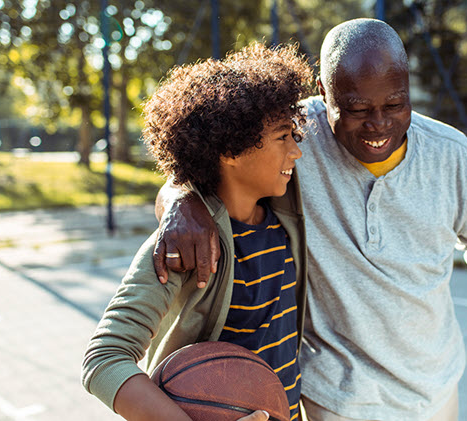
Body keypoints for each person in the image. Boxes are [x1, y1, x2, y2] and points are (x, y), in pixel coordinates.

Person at [152, 19, 467, 421]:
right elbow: (204, 167)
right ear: (324, 92)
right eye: (357, 110)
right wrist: (181, 200)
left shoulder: (451, 156)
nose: (379, 125)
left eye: (396, 104)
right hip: (337, 397)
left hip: (434, 391)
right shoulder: (293, 141)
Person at [81, 43, 313, 421]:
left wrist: (177, 194)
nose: (297, 152)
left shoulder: (284, 214)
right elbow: (103, 358)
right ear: (231, 151)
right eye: (282, 137)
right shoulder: (184, 245)